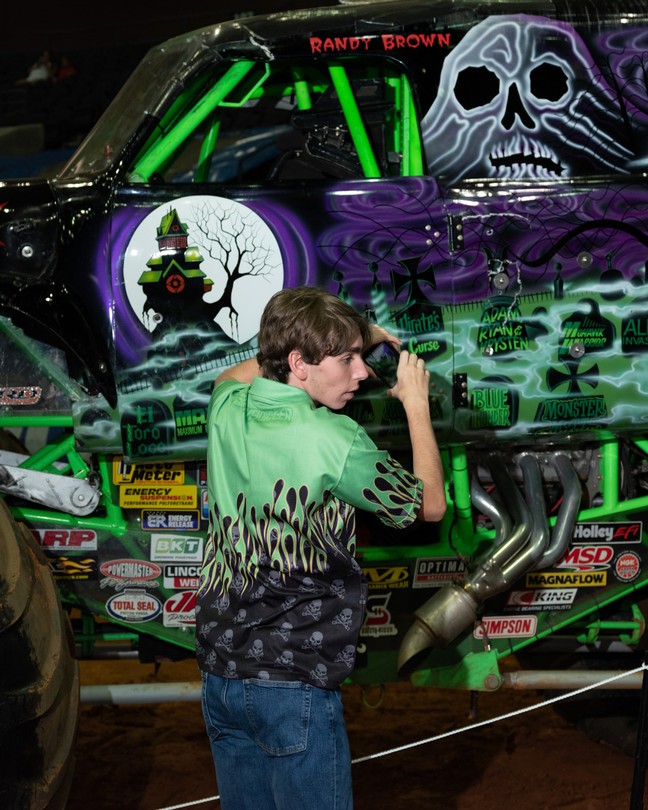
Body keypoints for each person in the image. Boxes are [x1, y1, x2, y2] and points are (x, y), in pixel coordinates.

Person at [196, 285, 446, 810]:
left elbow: (238, 372)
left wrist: (358, 334)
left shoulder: (227, 405)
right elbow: (429, 506)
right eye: (347, 359)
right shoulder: (336, 438)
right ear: (299, 363)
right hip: (295, 679)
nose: (361, 373)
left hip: (221, 674)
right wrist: (416, 406)